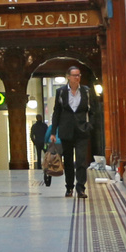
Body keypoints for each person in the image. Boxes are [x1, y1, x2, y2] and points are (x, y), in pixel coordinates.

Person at [50, 66, 101, 199]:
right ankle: (69, 187)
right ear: (68, 77)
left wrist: (90, 125)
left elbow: (93, 111)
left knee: (81, 160)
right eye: (74, 75)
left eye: (79, 75)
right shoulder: (61, 92)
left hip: (82, 130)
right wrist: (53, 131)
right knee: (67, 160)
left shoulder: (86, 91)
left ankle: (80, 188)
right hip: (66, 130)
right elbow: (57, 112)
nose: (77, 78)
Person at [30, 115, 51, 183]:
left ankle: (39, 167)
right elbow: (48, 133)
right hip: (44, 143)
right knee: (47, 154)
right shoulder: (44, 125)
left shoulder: (34, 126)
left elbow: (31, 135)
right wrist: (47, 141)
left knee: (38, 155)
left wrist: (34, 142)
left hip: (38, 143)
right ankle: (47, 166)